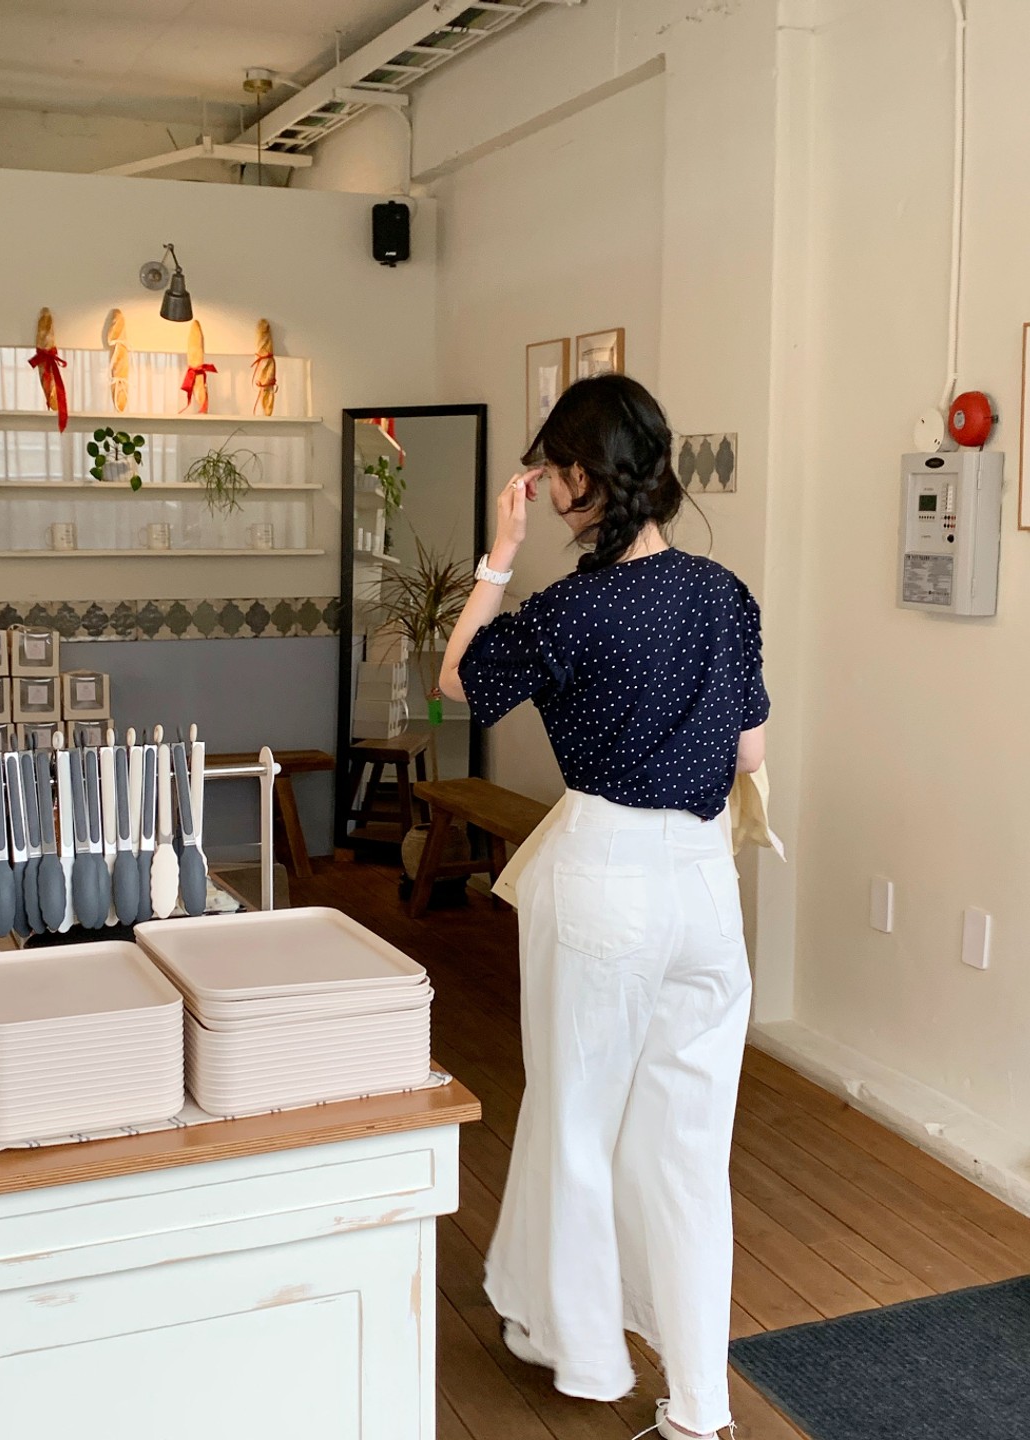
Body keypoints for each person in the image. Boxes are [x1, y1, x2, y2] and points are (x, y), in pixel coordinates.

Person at [438, 374, 768, 1440]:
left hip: (606, 881)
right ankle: (699, 1409)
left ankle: (581, 1349)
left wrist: (499, 554)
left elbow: (458, 680)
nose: (546, 488)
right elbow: (751, 753)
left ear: (582, 478)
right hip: (707, 888)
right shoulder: (723, 593)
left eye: (551, 471)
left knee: (579, 1121)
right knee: (688, 1155)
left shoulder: (570, 609)